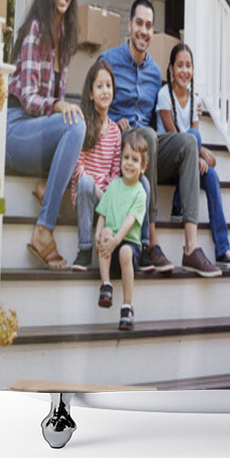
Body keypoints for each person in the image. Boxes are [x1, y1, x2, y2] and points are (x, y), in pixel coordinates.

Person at [101, 0, 221, 277]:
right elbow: (93, 101)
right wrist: (110, 121)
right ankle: (151, 243)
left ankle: (191, 248)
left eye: (149, 25)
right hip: (125, 146)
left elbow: (168, 118)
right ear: (129, 25)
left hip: (151, 145)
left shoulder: (156, 72)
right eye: (139, 23)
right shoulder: (109, 61)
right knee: (148, 136)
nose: (144, 30)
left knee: (189, 141)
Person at [5, 0, 86, 271]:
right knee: (74, 125)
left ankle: (52, 185)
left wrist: (61, 108)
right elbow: (26, 96)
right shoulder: (36, 30)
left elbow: (58, 110)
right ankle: (43, 231)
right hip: (16, 131)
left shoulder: (63, 38)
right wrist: (56, 105)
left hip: (37, 134)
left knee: (80, 124)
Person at [156, 43, 230, 271]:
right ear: (171, 69)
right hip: (169, 161)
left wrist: (200, 155)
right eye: (180, 65)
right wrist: (200, 152)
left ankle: (222, 250)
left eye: (189, 65)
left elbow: (195, 135)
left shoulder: (194, 99)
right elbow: (176, 137)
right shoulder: (164, 96)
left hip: (187, 165)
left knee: (211, 176)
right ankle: (177, 204)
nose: (185, 71)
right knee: (192, 137)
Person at [69, 58, 153, 272]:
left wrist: (113, 196)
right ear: (90, 93)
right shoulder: (82, 124)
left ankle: (142, 246)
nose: (105, 91)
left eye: (108, 86)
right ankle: (85, 249)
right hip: (88, 194)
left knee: (142, 182)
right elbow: (78, 168)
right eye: (99, 86)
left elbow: (117, 171)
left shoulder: (116, 131)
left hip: (110, 196)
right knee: (86, 181)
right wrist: (103, 195)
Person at [95, 130, 149, 331]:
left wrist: (117, 240)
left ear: (143, 167)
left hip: (129, 246)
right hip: (111, 247)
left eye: (135, 160)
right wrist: (98, 233)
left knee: (125, 250)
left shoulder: (140, 193)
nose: (129, 163)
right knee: (105, 232)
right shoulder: (114, 186)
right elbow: (102, 213)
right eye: (126, 157)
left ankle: (127, 306)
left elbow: (129, 221)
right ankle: (106, 285)